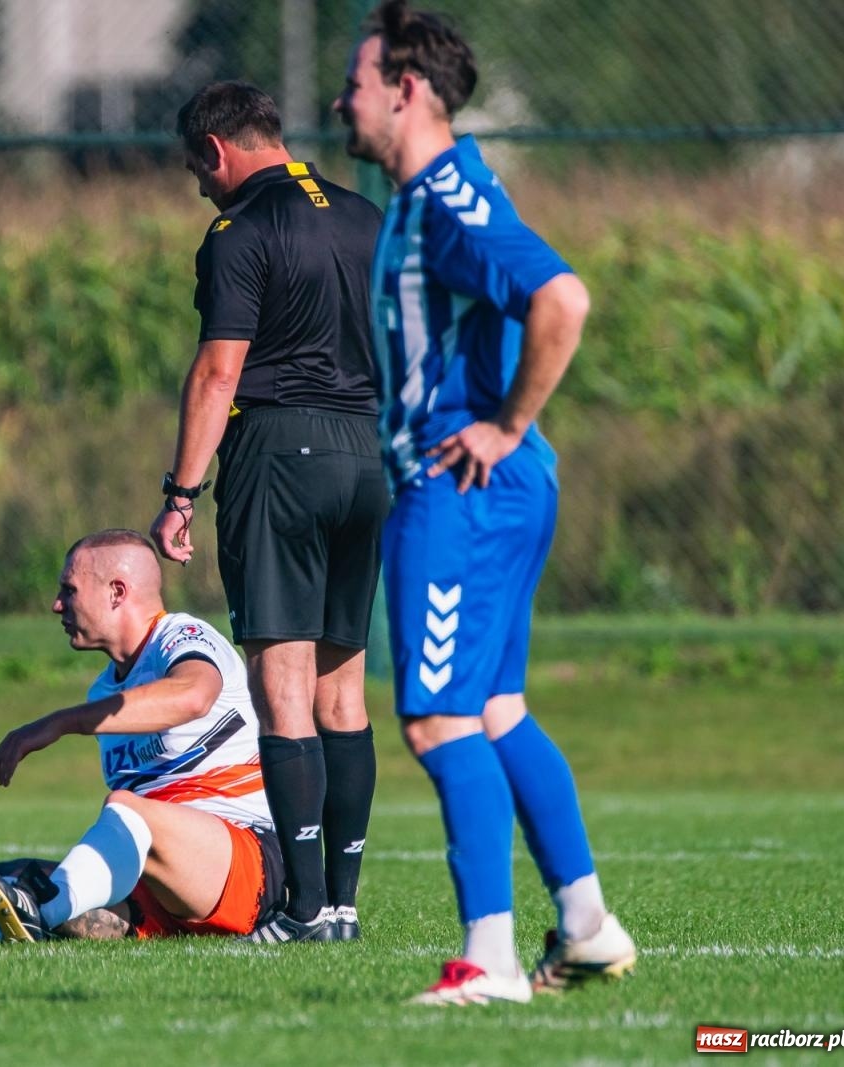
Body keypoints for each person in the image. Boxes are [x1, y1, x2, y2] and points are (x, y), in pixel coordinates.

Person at [333, 1, 637, 1005]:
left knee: (436, 721)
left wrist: (505, 422)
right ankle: (585, 922)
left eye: (357, 81)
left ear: (404, 91)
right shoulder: (425, 197)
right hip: (493, 489)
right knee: (496, 707)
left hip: (463, 490)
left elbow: (563, 298)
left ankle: (491, 958)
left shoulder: (450, 202)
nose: (344, 98)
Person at [148, 81, 387, 942]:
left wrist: (180, 494)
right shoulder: (368, 217)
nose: (198, 185)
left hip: (280, 454)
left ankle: (301, 907)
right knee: (344, 689)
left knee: (281, 686)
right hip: (368, 455)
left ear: (217, 150)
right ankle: (346, 903)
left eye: (194, 169)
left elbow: (218, 373)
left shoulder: (240, 230)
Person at [0, 529, 284, 942]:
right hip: (159, 888)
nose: (56, 604)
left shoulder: (184, 637)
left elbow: (194, 695)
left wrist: (61, 722)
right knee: (15, 877)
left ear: (117, 592)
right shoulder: (102, 691)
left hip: (244, 866)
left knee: (126, 810)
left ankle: (39, 914)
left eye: (69, 589)